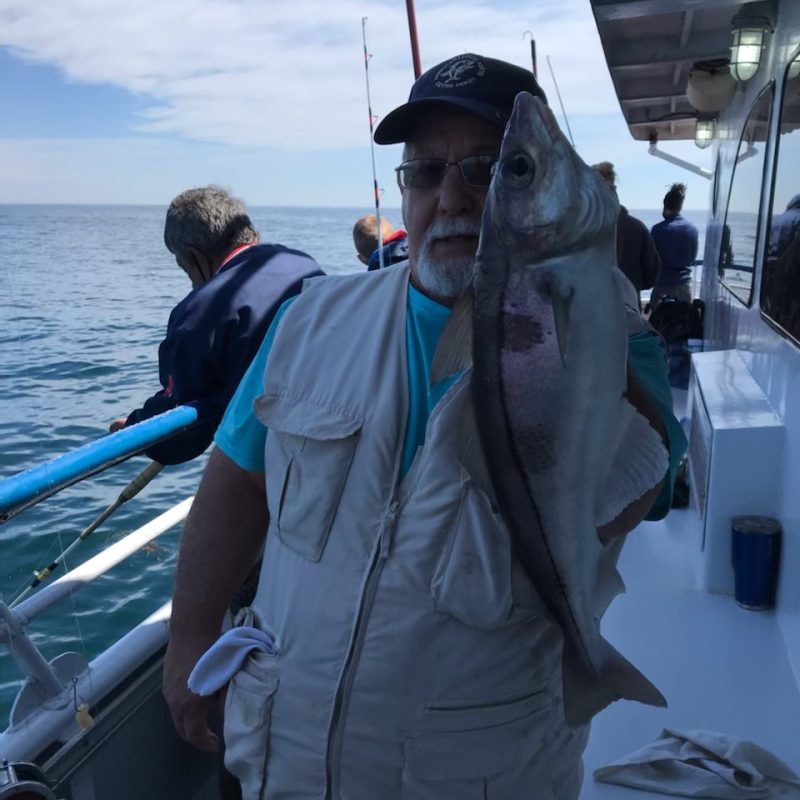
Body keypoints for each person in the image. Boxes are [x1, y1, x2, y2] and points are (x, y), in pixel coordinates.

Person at [163, 54, 687, 799]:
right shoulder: (310, 320)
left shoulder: (615, 336)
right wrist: (189, 635)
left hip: (482, 771)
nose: (452, 197)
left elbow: (651, 486)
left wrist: (580, 305)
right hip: (279, 762)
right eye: (426, 172)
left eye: (486, 169)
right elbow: (238, 476)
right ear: (403, 187)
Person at [109, 186, 323, 465]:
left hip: (281, 456)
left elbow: (181, 434)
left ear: (195, 257)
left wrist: (132, 428)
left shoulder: (202, 310)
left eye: (184, 267)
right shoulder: (302, 263)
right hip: (331, 427)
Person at [592, 161, 661, 295]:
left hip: (589, 312)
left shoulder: (578, 233)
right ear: (615, 190)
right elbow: (652, 275)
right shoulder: (636, 228)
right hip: (629, 309)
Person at [649, 182, 699, 308]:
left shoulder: (657, 230)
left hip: (661, 287)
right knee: (683, 326)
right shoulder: (692, 230)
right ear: (680, 207)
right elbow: (692, 259)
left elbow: (650, 260)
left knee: (658, 325)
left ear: (665, 206)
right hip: (683, 288)